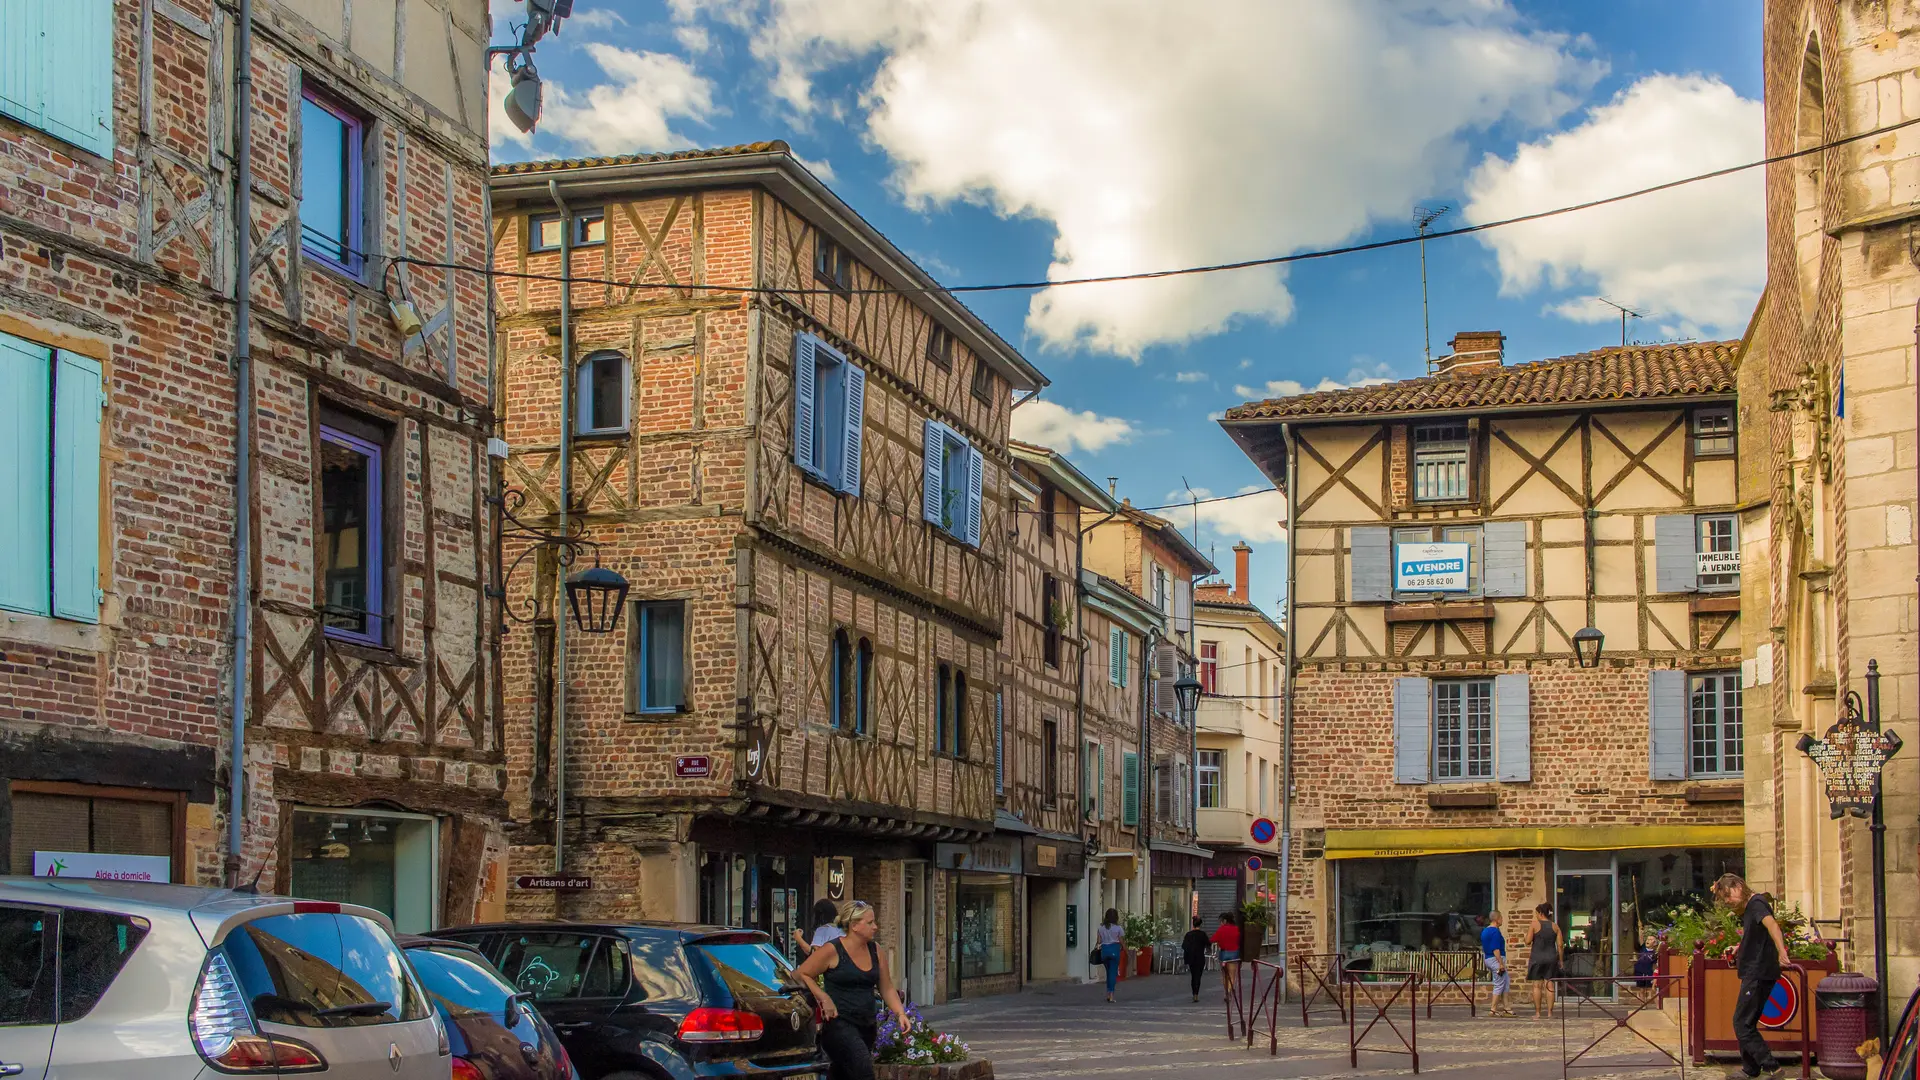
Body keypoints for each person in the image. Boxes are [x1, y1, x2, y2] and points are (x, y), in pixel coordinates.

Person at [794, 900, 911, 1080]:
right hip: (839, 1024)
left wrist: (900, 1013)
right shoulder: (832, 950)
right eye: (870, 922)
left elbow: (886, 987)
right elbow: (802, 973)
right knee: (864, 1072)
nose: (876, 927)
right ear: (854, 925)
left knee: (843, 1074)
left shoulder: (875, 950)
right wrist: (823, 997)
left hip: (867, 1025)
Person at [1716, 873, 1788, 1080]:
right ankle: (1750, 1068)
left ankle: (1771, 1066)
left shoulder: (1756, 904)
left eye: (1729, 895)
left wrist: (1782, 951)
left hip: (1758, 971)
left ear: (1739, 886)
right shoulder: (1751, 907)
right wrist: (1739, 947)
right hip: (1755, 970)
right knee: (1747, 1021)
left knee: (1741, 1022)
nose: (1728, 901)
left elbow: (1772, 925)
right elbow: (1758, 935)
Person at [1526, 902, 1562, 1020]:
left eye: (1536, 913)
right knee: (1550, 985)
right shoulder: (1555, 926)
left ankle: (1537, 1013)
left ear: (1541, 913)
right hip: (1551, 957)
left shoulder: (1534, 925)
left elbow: (1527, 941)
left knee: (1537, 986)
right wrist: (1561, 960)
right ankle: (1550, 1013)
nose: (1535, 915)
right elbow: (1560, 946)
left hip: (1537, 957)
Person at [1481, 910, 1514, 1017]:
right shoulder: (1495, 931)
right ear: (1497, 919)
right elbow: (1496, 949)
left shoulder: (1485, 931)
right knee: (1499, 983)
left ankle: (1506, 1007)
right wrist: (1500, 964)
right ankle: (1493, 1009)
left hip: (1488, 958)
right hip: (1495, 959)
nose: (1502, 920)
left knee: (1506, 982)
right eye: (1501, 917)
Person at [1211, 912, 1243, 1003]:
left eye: (1221, 921)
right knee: (1232, 975)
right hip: (1234, 953)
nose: (1220, 923)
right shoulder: (1236, 929)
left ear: (1224, 921)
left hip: (1224, 953)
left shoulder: (1221, 929)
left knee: (1224, 975)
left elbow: (1213, 939)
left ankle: (1226, 993)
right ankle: (1230, 990)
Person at [1096, 908, 1125, 1003]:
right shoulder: (1118, 928)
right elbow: (1121, 940)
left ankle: (1108, 993)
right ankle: (1111, 995)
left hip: (1104, 951)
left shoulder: (1101, 928)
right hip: (1114, 950)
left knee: (1108, 973)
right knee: (1113, 973)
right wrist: (1126, 949)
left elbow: (1099, 941)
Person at [1181, 917, 1211, 1002]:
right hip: (1200, 957)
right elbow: (1208, 943)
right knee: (1198, 976)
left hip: (1191, 957)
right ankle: (1196, 993)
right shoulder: (1203, 934)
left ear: (1193, 924)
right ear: (1200, 924)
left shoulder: (1188, 934)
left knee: (1193, 975)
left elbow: (1184, 946)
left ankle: (1194, 993)